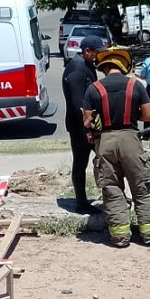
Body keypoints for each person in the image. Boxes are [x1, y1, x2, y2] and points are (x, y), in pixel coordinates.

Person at [81, 45, 150, 248]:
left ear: (104, 67)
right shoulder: (135, 86)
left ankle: (119, 237)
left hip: (105, 143)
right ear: (124, 65)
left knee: (111, 189)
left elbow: (87, 122)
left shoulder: (94, 89)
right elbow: (148, 116)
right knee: (142, 188)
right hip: (131, 141)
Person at [62, 35, 100, 213]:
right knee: (80, 162)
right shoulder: (77, 69)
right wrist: (87, 129)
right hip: (80, 126)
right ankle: (81, 202)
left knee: (102, 157)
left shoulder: (85, 66)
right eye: (96, 53)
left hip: (87, 124)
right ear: (87, 51)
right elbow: (78, 104)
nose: (98, 56)